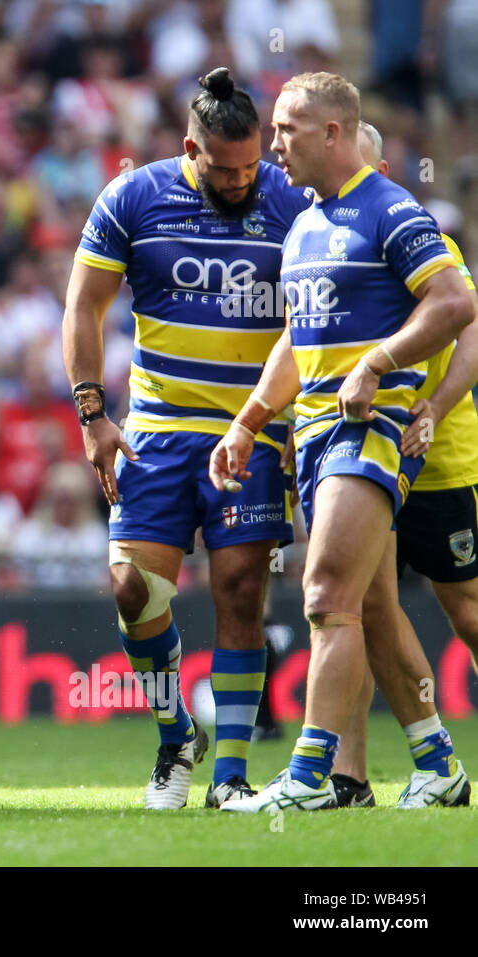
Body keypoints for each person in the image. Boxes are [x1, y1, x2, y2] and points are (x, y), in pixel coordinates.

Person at [214, 72, 475, 813]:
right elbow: (299, 339)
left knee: (326, 594)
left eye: (287, 132)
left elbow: (458, 303)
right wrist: (250, 419)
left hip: (370, 432)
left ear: (333, 132)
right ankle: (438, 763)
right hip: (315, 432)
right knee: (371, 606)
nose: (273, 148)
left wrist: (380, 362)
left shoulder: (392, 210)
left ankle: (307, 779)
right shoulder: (304, 225)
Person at [62, 68, 313, 808]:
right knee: (131, 587)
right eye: (224, 168)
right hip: (157, 432)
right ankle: (176, 736)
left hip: (253, 433)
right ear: (189, 148)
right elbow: (84, 305)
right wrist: (92, 413)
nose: (241, 181)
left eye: (251, 166)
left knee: (240, 592)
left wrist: (301, 418)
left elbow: (319, 320)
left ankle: (230, 776)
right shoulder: (133, 197)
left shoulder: (292, 200)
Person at [326, 121, 478, 808]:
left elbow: (470, 332)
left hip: (439, 452)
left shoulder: (422, 237)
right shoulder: (329, 246)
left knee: (468, 610)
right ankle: (348, 773)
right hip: (370, 445)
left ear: (378, 167)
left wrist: (435, 410)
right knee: (357, 604)